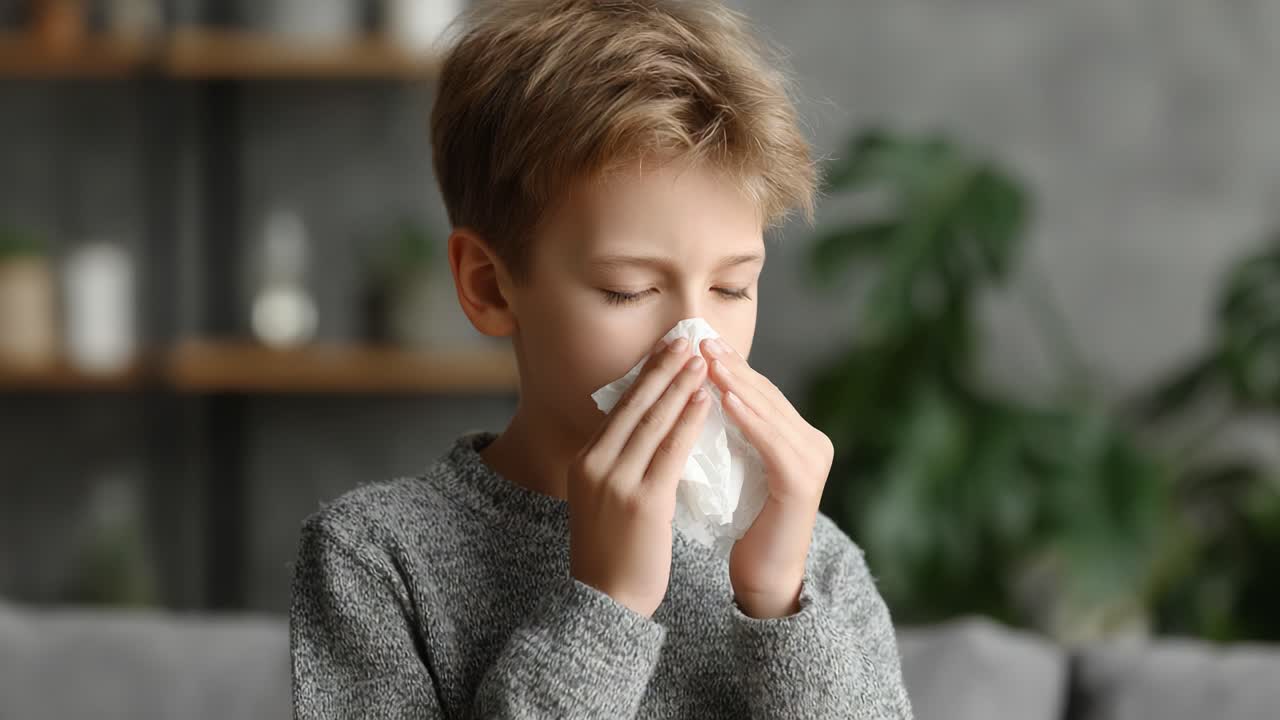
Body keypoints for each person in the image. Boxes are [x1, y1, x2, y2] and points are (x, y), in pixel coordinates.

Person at [289, 0, 914, 717]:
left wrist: (778, 600)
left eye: (732, 287)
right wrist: (606, 606)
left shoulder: (810, 561)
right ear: (489, 287)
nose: (694, 341)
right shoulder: (375, 560)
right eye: (628, 290)